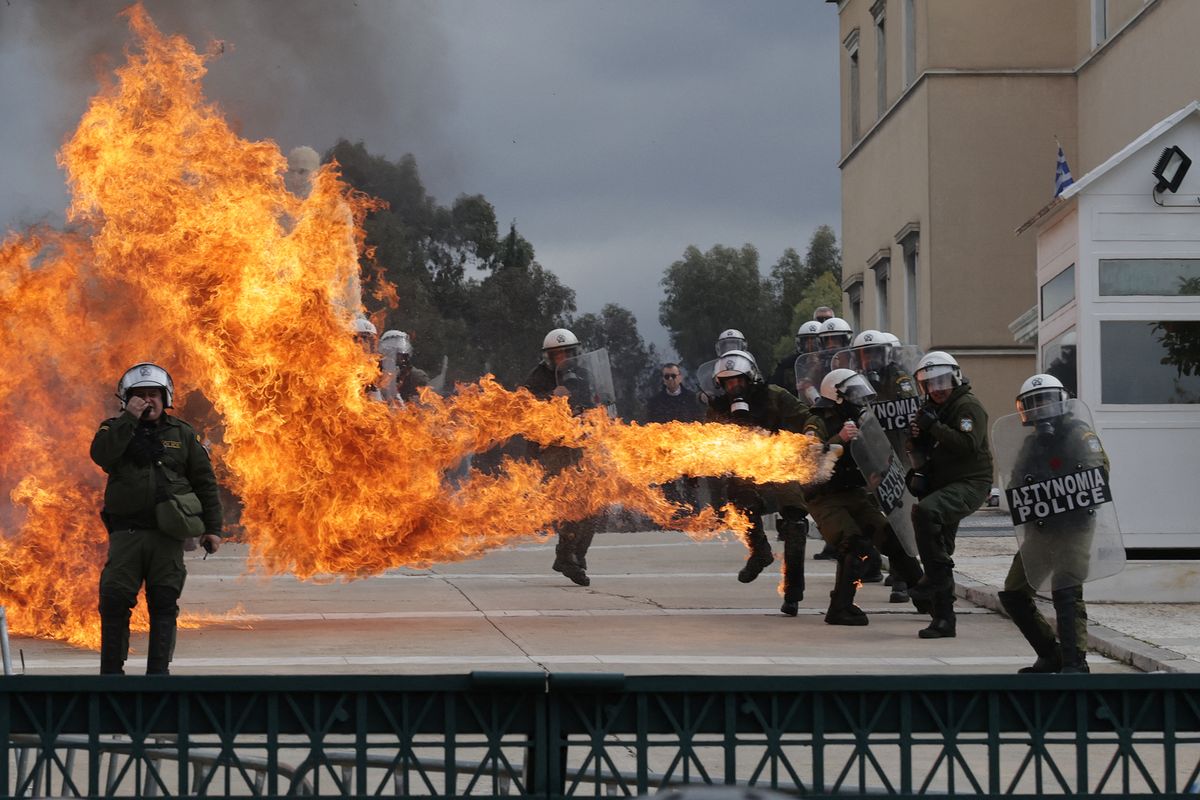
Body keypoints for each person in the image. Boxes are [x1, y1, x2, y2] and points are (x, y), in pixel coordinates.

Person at [91, 363, 223, 675]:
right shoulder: (114, 429)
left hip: (167, 536)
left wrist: (213, 529)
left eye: (153, 394)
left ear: (165, 398)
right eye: (139, 396)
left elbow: (205, 482)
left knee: (164, 601)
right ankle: (111, 675)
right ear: (127, 399)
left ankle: (158, 675)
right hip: (127, 534)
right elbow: (102, 456)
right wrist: (129, 419)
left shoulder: (183, 434)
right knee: (114, 599)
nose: (147, 400)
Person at [998, 374, 1109, 674]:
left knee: (1067, 588)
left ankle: (1076, 662)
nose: (1041, 408)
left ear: (1061, 400)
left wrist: (1056, 483)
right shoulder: (1033, 443)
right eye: (1034, 403)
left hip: (1074, 527)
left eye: (1046, 400)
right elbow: (1016, 480)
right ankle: (1051, 653)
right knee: (1013, 593)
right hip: (1043, 528)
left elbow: (1099, 473)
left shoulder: (1079, 434)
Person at [802, 369, 927, 626]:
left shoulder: (860, 420)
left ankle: (925, 595)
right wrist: (839, 439)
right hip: (824, 497)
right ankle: (840, 608)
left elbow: (872, 455)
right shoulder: (816, 423)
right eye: (853, 395)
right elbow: (811, 461)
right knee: (853, 543)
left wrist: (875, 477)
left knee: (892, 539)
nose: (859, 400)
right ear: (836, 396)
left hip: (853, 492)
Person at [705, 350, 811, 616]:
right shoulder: (718, 408)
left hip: (781, 465)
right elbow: (705, 443)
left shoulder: (775, 396)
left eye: (738, 381)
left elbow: (807, 417)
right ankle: (760, 550)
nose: (734, 387)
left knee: (795, 519)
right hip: (747, 469)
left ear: (750, 377)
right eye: (728, 383)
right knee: (737, 496)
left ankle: (792, 592)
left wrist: (810, 431)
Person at [905, 351, 993, 639]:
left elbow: (967, 444)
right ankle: (943, 619)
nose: (937, 389)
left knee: (926, 513)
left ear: (954, 378)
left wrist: (934, 427)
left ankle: (933, 578)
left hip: (970, 482)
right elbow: (921, 449)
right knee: (939, 547)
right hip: (942, 484)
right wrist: (917, 437)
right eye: (930, 384)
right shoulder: (930, 409)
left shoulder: (967, 407)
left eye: (942, 381)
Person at [522, 328, 601, 586]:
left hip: (580, 445)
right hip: (552, 449)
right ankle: (565, 556)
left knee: (593, 506)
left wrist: (595, 413)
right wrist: (549, 400)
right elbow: (524, 411)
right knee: (573, 503)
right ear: (548, 356)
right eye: (556, 354)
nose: (561, 358)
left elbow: (594, 402)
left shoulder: (583, 375)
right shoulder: (537, 378)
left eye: (566, 352)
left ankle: (577, 554)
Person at [769, 320, 823, 395]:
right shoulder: (788, 365)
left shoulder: (830, 363)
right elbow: (774, 388)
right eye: (806, 342)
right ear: (800, 343)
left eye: (815, 342)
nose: (810, 347)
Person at [379, 329, 430, 403]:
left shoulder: (415, 377)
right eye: (390, 352)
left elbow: (422, 405)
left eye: (398, 354)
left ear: (405, 356)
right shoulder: (373, 373)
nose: (394, 357)